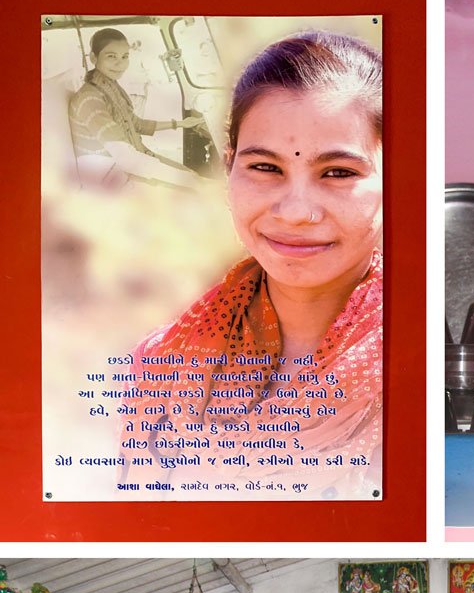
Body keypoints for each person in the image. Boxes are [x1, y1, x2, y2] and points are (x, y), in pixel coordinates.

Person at [119, 30, 383, 498]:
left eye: (338, 173)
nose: (296, 211)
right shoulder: (161, 363)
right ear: (229, 169)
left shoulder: (420, 366)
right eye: (265, 168)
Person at [68, 27, 203, 188]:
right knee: (195, 189)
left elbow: (135, 123)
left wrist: (180, 124)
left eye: (125, 56)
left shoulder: (110, 87)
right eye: (111, 56)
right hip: (112, 179)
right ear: (93, 57)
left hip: (129, 164)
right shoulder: (90, 98)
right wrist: (194, 183)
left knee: (192, 175)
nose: (120, 63)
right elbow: (127, 159)